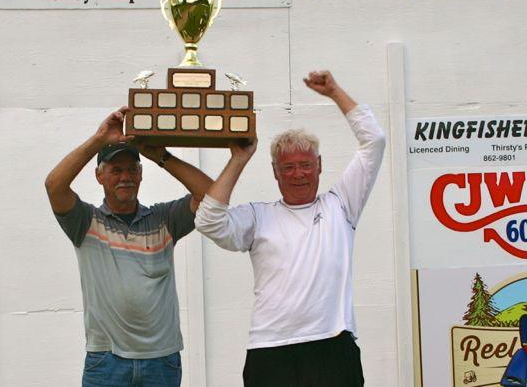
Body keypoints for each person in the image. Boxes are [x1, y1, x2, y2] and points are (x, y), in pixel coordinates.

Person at [195, 71, 386, 386]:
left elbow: (374, 140)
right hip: (270, 351)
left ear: (319, 166)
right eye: (288, 167)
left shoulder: (341, 205)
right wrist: (239, 158)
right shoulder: (258, 216)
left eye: (305, 165)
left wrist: (335, 91)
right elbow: (208, 220)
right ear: (275, 173)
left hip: (332, 345)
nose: (298, 174)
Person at [44, 106, 213, 387]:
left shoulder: (165, 219)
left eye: (132, 169)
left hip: (162, 359)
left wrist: (160, 155)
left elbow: (211, 196)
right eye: (116, 170)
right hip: (106, 359)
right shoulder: (85, 221)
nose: (125, 176)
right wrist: (99, 140)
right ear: (99, 176)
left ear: (141, 174)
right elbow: (54, 186)